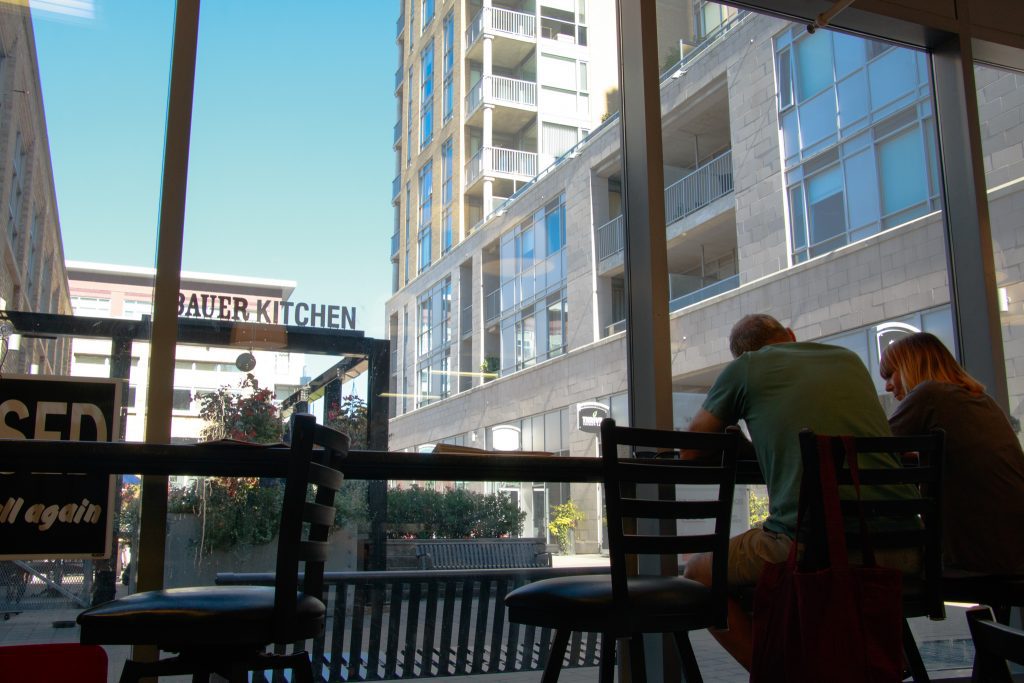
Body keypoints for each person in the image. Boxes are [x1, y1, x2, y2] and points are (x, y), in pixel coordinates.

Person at [681, 313, 917, 670]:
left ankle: (775, 676)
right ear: (791, 335)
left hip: (814, 550)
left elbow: (692, 448)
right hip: (907, 548)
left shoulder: (747, 368)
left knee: (699, 576)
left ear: (741, 356)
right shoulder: (848, 359)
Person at [881, 332, 1024, 574]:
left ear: (911, 366)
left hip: (981, 556)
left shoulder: (929, 395)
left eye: (891, 373)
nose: (888, 386)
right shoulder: (979, 399)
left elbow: (874, 448)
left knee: (876, 562)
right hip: (1014, 546)